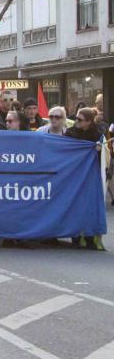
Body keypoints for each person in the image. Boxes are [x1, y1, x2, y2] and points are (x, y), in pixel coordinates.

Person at [65, 107, 106, 251]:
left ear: (89, 122)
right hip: (74, 175)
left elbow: (105, 159)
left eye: (80, 119)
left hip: (90, 176)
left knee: (89, 206)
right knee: (75, 204)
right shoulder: (71, 133)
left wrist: (100, 150)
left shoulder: (98, 136)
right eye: (76, 118)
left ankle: (90, 238)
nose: (76, 121)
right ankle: (76, 237)